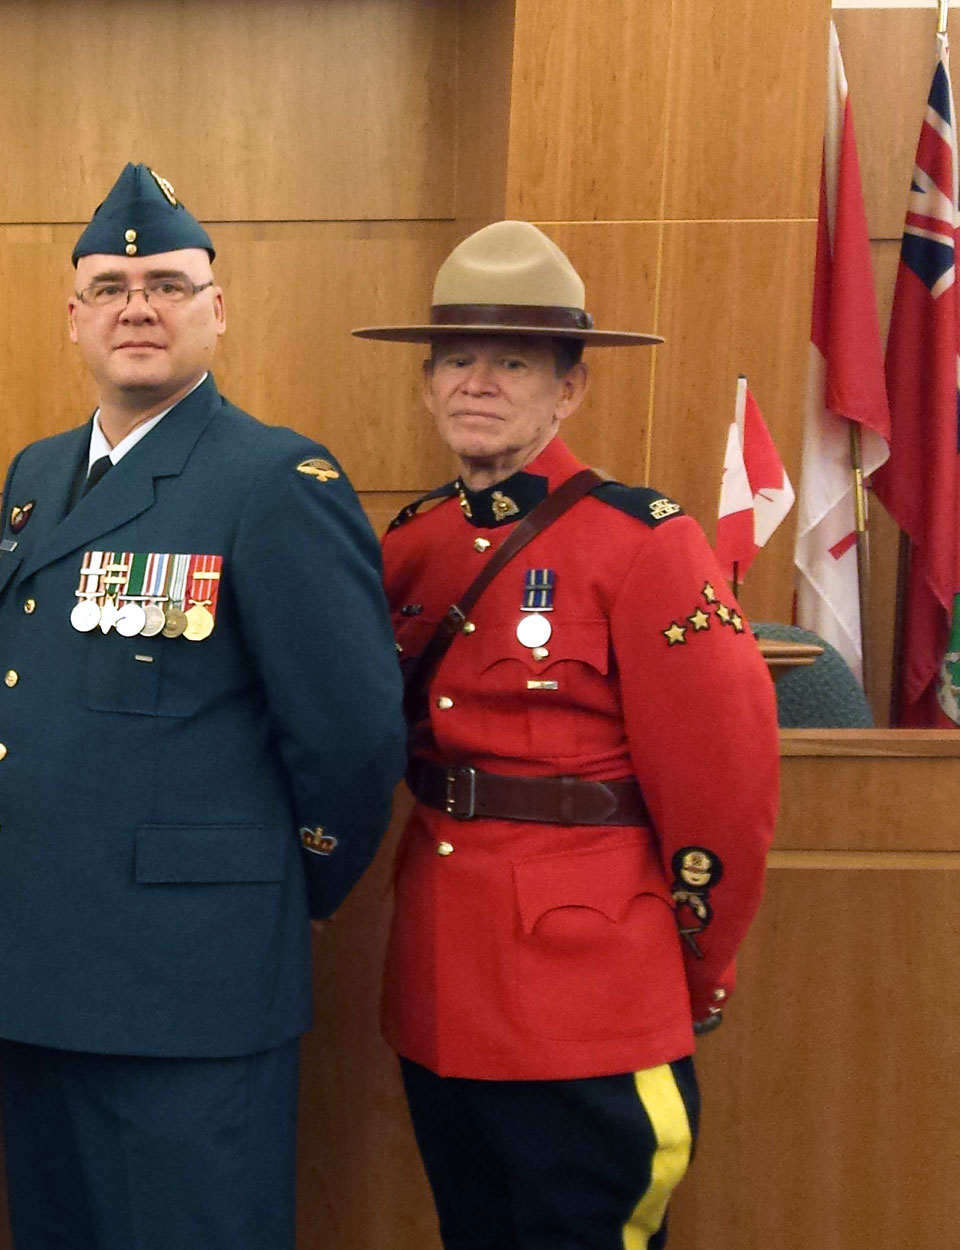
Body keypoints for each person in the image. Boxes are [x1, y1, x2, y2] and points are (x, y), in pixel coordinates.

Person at [0, 163, 404, 1250]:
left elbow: (350, 733)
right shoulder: (37, 473)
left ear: (217, 309)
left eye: (166, 283)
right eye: (108, 285)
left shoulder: (275, 478)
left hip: (189, 975)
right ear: (72, 317)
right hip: (40, 961)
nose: (135, 305)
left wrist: (280, 880)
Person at [351, 220, 778, 1250]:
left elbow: (722, 786)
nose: (478, 382)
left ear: (569, 389)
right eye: (457, 358)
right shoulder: (412, 544)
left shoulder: (645, 544)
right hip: (443, 978)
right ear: (425, 383)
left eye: (513, 361)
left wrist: (697, 968)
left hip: (590, 987)